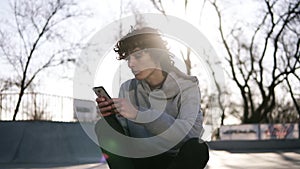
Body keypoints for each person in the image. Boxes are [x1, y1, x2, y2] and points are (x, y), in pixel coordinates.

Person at [94, 26, 209, 169]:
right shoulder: (127, 88)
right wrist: (111, 116)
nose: (131, 64)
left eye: (138, 56)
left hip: (174, 160)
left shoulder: (187, 86)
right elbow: (124, 137)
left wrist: (139, 114)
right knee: (104, 126)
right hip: (142, 159)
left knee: (197, 148)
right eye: (128, 58)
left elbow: (189, 135)